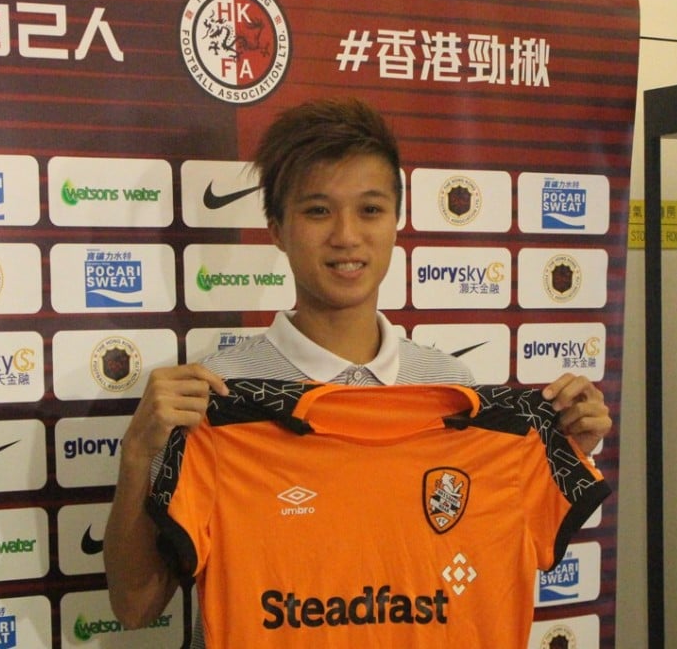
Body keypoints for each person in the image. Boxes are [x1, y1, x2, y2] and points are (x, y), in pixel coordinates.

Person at [103, 97, 612, 642]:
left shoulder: (457, 395)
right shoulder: (214, 401)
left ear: (396, 221)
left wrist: (564, 443)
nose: (346, 235)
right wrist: (137, 455)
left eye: (370, 210)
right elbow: (136, 606)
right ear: (276, 228)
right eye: (318, 211)